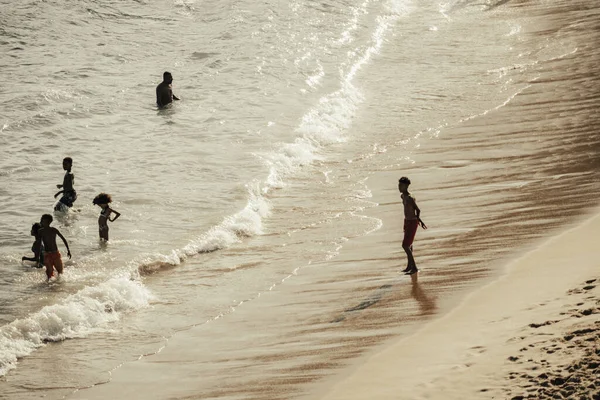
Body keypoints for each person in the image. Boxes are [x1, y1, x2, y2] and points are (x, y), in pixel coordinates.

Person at [398, 177, 427, 275]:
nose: (399, 187)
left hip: (412, 222)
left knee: (405, 245)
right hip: (407, 221)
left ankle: (414, 267)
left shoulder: (410, 198)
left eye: (401, 185)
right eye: (399, 185)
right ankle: (409, 266)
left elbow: (417, 210)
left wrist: (418, 220)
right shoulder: (402, 196)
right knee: (409, 245)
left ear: (406, 186)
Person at [38, 214, 71, 281]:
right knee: (49, 274)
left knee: (60, 272)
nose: (41, 221)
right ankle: (50, 288)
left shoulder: (54, 230)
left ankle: (59, 286)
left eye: (42, 220)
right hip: (47, 254)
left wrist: (68, 250)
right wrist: (39, 256)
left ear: (48, 222)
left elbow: (63, 239)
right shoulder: (40, 231)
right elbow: (39, 244)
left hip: (55, 253)